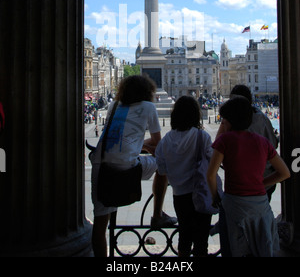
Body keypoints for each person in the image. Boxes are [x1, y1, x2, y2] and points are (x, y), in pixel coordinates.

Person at [90, 74, 176, 257]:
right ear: (148, 91)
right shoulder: (149, 107)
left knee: (99, 227)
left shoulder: (113, 106)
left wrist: (140, 144)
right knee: (164, 163)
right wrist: (144, 146)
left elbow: (120, 135)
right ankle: (157, 215)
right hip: (127, 166)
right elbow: (158, 146)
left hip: (100, 164)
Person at [207, 96, 290, 257]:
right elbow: (284, 173)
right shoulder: (263, 142)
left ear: (229, 120)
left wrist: (215, 196)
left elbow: (210, 175)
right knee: (261, 247)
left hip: (234, 203)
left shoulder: (225, 140)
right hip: (259, 203)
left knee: (232, 247)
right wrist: (261, 183)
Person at [155, 96, 213, 257]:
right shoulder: (202, 136)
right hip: (201, 193)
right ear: (196, 115)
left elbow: (161, 169)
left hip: (179, 195)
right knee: (202, 241)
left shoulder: (165, 140)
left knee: (184, 236)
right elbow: (213, 162)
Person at [229, 84, 279, 201]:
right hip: (267, 178)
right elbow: (274, 144)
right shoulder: (262, 117)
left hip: (248, 182)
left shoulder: (238, 124)